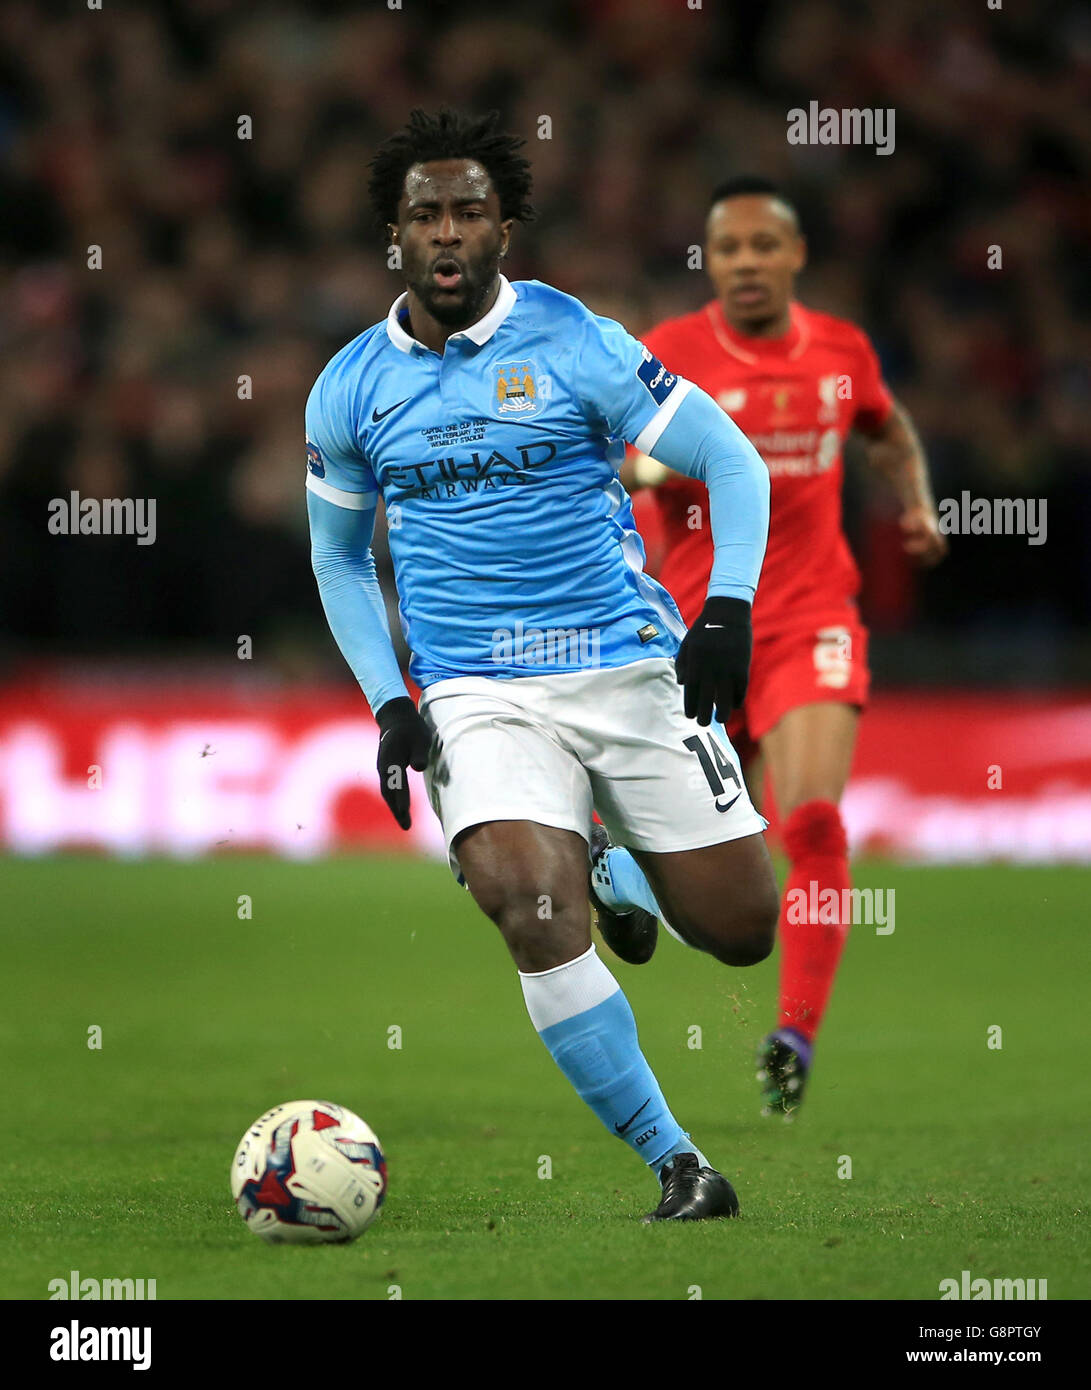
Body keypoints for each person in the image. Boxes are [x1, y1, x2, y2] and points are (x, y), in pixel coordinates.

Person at [305, 109, 779, 1222]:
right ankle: (677, 1163)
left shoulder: (580, 342)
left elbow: (730, 459)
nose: (447, 231)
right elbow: (334, 556)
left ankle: (607, 851)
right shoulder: (349, 385)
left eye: (469, 210)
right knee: (525, 900)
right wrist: (390, 702)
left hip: (623, 664)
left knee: (739, 929)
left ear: (504, 227)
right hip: (473, 688)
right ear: (395, 235)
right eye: (425, 213)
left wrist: (725, 611)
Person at [617, 176, 947, 1118]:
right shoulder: (669, 353)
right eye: (729, 249)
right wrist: (647, 461)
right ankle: (621, 875)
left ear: (795, 255)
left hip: (812, 618)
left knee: (811, 825)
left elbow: (886, 431)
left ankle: (793, 1033)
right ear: (709, 262)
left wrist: (916, 502)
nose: (747, 263)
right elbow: (620, 451)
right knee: (707, 856)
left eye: (764, 246)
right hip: (698, 627)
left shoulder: (841, 351)